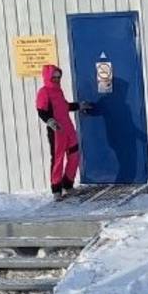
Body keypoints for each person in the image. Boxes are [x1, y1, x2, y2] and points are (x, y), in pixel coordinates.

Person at [35, 65, 92, 198]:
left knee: (74, 156)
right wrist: (50, 121)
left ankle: (68, 184)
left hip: (68, 128)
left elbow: (65, 106)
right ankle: (56, 189)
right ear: (48, 77)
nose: (56, 79)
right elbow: (41, 110)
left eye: (58, 77)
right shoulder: (44, 92)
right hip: (56, 131)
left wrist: (79, 105)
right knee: (58, 159)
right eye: (53, 77)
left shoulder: (58, 91)